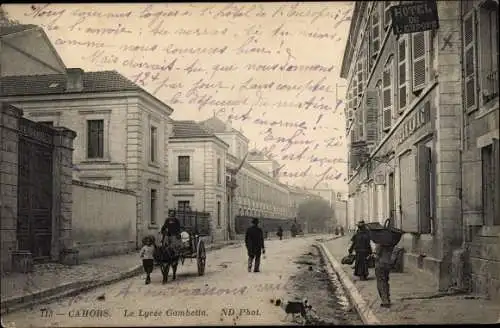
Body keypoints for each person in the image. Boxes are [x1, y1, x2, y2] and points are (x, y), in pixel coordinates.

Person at [371, 243, 395, 307]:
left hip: (380, 265)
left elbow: (377, 256)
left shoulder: (380, 243)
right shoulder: (391, 243)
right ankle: (388, 298)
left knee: (381, 282)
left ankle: (385, 301)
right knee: (386, 282)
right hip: (387, 265)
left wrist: (373, 255)